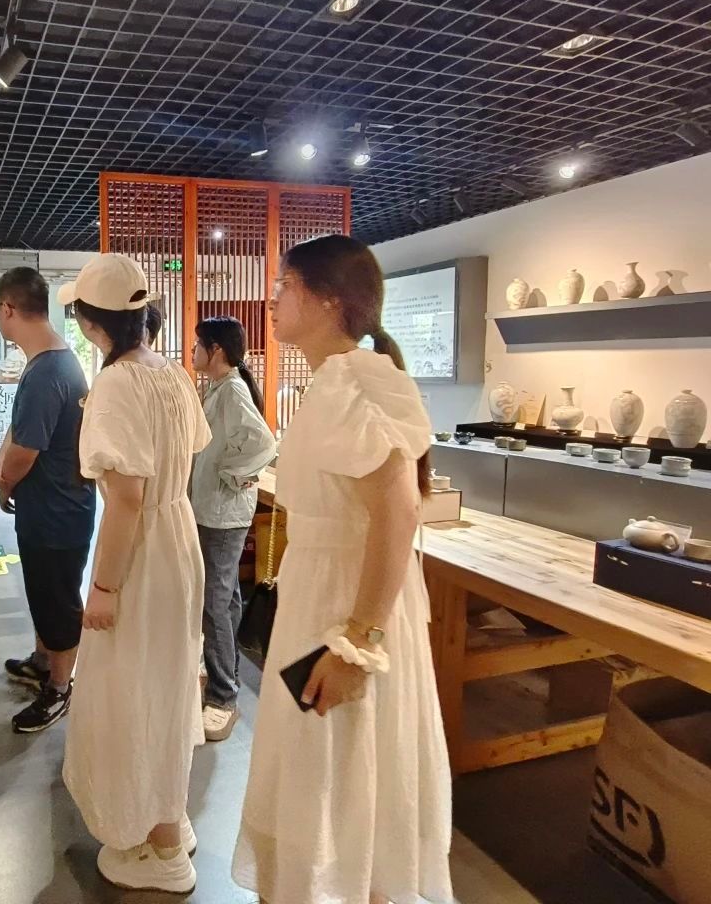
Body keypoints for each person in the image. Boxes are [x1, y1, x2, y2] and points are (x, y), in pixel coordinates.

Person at [234, 235, 452, 904]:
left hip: (344, 604)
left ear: (329, 300)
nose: (272, 299)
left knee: (341, 762)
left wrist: (358, 640)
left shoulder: (351, 380)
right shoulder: (340, 379)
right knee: (342, 763)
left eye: (285, 285)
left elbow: (399, 510)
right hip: (327, 591)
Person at [60, 253, 211, 894]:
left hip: (143, 548)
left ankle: (163, 847)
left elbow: (125, 498)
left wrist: (103, 587)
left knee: (131, 689)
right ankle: (168, 815)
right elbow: (187, 456)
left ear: (93, 324)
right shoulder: (172, 371)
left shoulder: (117, 384)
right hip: (177, 538)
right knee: (166, 681)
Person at [0, 267, 96, 733]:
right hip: (54, 507)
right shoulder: (52, 361)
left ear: (7, 309)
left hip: (57, 512)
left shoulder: (47, 370)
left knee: (58, 602)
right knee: (43, 593)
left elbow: (24, 451)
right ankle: (42, 660)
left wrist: (4, 481)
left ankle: (59, 687)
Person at [189, 316, 275, 743]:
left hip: (223, 514)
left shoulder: (233, 390)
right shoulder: (220, 387)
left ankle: (224, 696)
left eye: (197, 345)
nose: (192, 352)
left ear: (216, 350)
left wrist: (232, 474)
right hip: (212, 510)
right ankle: (224, 671)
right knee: (224, 598)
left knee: (215, 602)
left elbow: (264, 443)